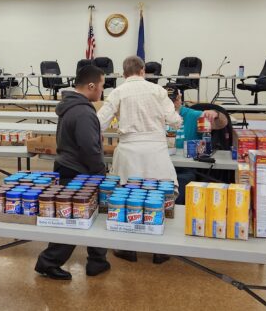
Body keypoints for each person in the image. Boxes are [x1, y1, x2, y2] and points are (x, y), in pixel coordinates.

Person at [97, 56, 182, 264]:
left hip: (128, 151)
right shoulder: (158, 91)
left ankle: (128, 248)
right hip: (156, 150)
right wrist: (177, 110)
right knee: (159, 198)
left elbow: (98, 123)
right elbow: (175, 122)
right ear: (143, 70)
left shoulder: (117, 92)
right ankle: (159, 250)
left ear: (123, 73)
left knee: (127, 199)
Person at [34, 65, 111, 280]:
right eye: (102, 85)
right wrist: (100, 170)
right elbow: (89, 148)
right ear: (91, 85)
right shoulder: (84, 111)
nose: (102, 91)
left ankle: (97, 260)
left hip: (70, 167)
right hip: (80, 171)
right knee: (72, 220)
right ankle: (48, 262)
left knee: (89, 215)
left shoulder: (71, 106)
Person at [168, 87, 230, 204]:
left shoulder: (192, 115)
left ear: (179, 99)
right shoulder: (158, 116)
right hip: (164, 166)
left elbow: (222, 123)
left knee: (180, 185)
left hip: (185, 167)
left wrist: (215, 114)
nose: (172, 104)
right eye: (168, 101)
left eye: (174, 100)